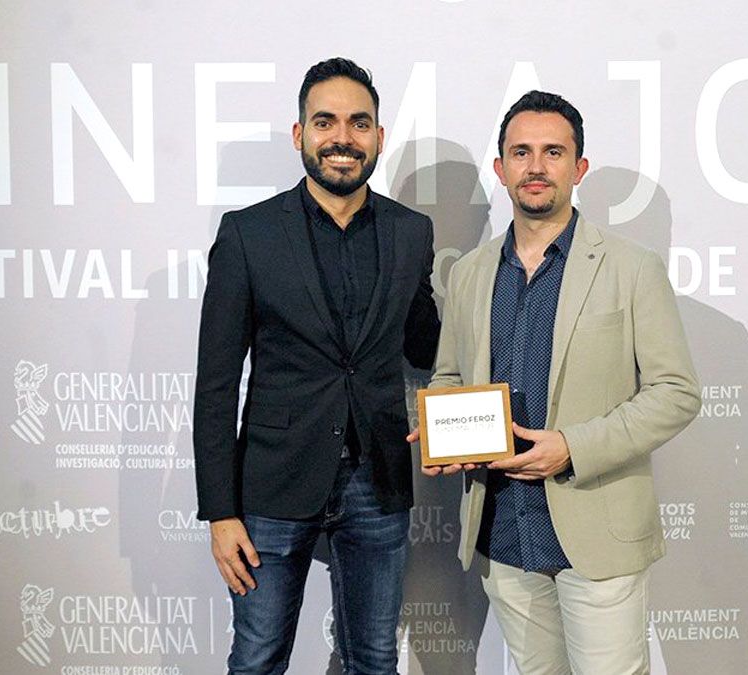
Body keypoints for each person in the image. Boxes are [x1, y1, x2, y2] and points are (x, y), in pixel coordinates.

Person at [417, 90, 701, 674]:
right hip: (504, 538)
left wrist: (573, 447)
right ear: (501, 170)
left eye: (553, 151)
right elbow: (448, 375)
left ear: (579, 168)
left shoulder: (632, 267)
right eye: (521, 152)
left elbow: (676, 393)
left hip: (596, 535)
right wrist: (446, 431)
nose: (537, 166)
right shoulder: (469, 273)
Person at [193, 57, 440, 675]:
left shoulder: (412, 233)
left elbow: (425, 348)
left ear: (379, 138)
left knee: (375, 659)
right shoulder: (248, 234)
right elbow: (218, 384)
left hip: (376, 481)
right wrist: (221, 513)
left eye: (360, 123)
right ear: (299, 134)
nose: (343, 137)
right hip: (271, 485)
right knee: (257, 658)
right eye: (325, 121)